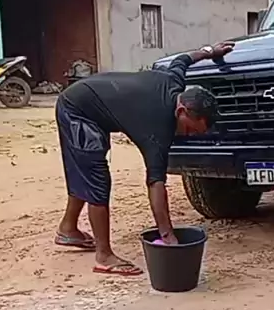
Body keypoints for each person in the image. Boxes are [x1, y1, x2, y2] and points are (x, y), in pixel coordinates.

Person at [54, 42, 235, 276]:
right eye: (191, 129)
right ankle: (104, 256)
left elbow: (182, 60)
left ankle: (68, 229)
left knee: (85, 168)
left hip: (91, 103)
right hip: (76, 109)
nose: (189, 135)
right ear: (181, 111)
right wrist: (168, 236)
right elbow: (155, 184)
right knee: (96, 176)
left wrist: (210, 52)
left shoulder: (174, 84)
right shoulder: (157, 127)